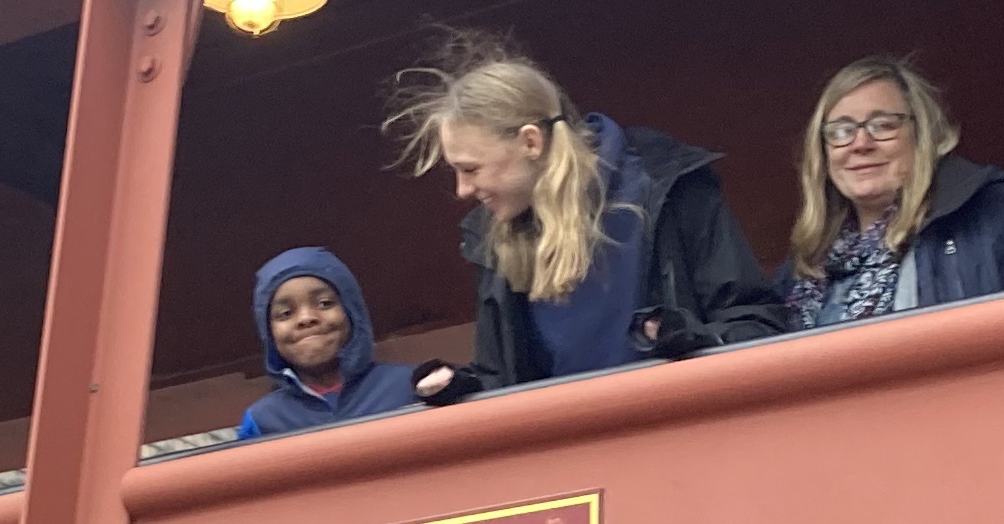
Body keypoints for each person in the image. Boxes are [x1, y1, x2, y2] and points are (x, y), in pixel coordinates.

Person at [384, 33, 791, 401]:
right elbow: (503, 379)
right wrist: (461, 387)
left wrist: (689, 339)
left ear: (530, 142)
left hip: (688, 433)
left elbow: (756, 323)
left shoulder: (669, 187)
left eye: (471, 169)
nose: (462, 190)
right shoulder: (492, 238)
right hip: (575, 453)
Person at [779, 55, 1004, 327]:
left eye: (883, 125)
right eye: (841, 131)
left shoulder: (995, 213)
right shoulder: (800, 270)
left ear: (922, 135)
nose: (861, 144)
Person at [234, 247, 420, 439]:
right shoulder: (261, 421)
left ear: (352, 311)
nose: (306, 318)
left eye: (324, 303)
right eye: (285, 313)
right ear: (269, 332)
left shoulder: (410, 384)